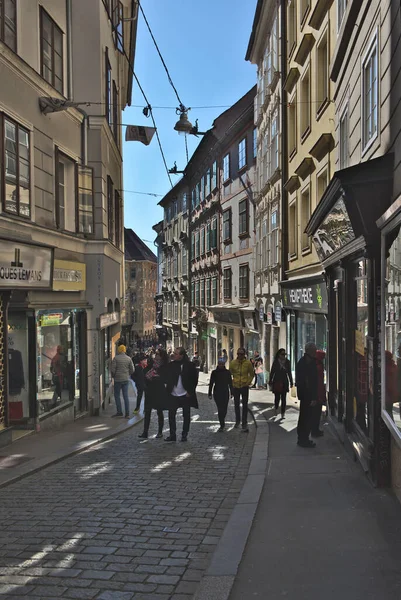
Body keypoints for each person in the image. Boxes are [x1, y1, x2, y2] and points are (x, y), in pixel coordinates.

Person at [165, 347, 199, 442]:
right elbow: (166, 377)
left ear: (181, 355)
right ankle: (172, 435)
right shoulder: (170, 365)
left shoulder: (190, 365)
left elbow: (194, 380)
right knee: (171, 415)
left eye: (176, 354)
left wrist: (190, 392)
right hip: (173, 394)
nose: (174, 355)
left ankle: (184, 434)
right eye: (174, 353)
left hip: (185, 394)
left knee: (186, 415)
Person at [138, 348, 169, 439]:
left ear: (162, 356)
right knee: (147, 411)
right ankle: (145, 432)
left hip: (159, 391)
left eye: (158, 354)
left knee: (159, 411)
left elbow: (166, 378)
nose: (156, 356)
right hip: (149, 390)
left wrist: (157, 378)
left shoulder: (165, 366)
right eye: (156, 354)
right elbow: (145, 373)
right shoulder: (152, 364)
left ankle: (160, 432)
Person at [295, 342, 318, 448]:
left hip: (307, 395)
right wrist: (312, 397)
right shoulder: (304, 363)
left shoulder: (309, 362)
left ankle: (304, 438)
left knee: (306, 417)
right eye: (314, 350)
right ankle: (303, 439)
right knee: (306, 417)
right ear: (309, 351)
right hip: (306, 395)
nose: (315, 352)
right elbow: (307, 382)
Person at [229, 348, 254, 432]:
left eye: (241, 354)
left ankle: (244, 422)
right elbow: (230, 374)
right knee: (236, 405)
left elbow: (251, 374)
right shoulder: (233, 363)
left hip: (244, 386)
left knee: (245, 405)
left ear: (244, 355)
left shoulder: (248, 363)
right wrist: (232, 383)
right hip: (236, 386)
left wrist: (248, 382)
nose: (240, 355)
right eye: (238, 354)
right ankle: (237, 421)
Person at [208, 357, 234, 431]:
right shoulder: (214, 372)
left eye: (222, 364)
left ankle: (222, 419)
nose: (221, 365)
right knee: (220, 408)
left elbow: (230, 383)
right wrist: (209, 393)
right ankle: (222, 424)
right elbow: (211, 383)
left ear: (224, 364)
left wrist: (232, 392)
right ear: (218, 364)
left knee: (225, 408)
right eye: (220, 364)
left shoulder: (227, 372)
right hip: (217, 392)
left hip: (225, 392)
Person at [111, 345, 134, 418]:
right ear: (124, 350)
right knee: (125, 396)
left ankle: (119, 411)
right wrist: (128, 374)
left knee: (117, 395)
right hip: (125, 379)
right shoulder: (129, 359)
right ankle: (127, 414)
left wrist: (114, 376)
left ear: (119, 350)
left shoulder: (116, 358)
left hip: (117, 379)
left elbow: (112, 370)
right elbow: (132, 369)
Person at [269, 349, 293, 418]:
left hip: (284, 381)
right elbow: (272, 371)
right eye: (282, 354)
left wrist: (291, 382)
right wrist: (270, 380)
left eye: (284, 354)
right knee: (277, 397)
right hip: (276, 381)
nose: (283, 356)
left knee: (284, 398)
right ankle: (276, 408)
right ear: (279, 355)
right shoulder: (276, 362)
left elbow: (289, 373)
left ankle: (283, 413)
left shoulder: (287, 362)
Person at [311, 349, 326, 437]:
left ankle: (315, 430)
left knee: (316, 414)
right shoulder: (318, 366)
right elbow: (318, 383)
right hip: (317, 393)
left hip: (317, 393)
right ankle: (315, 431)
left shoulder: (315, 364)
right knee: (316, 414)